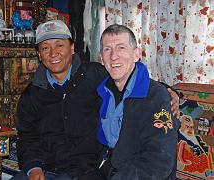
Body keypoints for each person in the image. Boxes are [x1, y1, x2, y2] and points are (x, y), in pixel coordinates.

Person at [13, 20, 180, 180]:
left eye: (59, 45)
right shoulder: (31, 94)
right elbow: (26, 135)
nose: (53, 53)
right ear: (39, 55)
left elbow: (133, 80)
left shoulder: (95, 76)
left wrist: (170, 91)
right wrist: (33, 166)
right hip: (49, 168)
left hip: (86, 169)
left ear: (72, 48)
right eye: (45, 47)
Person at [96, 24, 180, 180]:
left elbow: (159, 160)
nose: (114, 56)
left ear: (136, 54)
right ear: (101, 58)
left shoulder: (156, 97)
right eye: (107, 49)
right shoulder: (101, 89)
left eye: (121, 48)